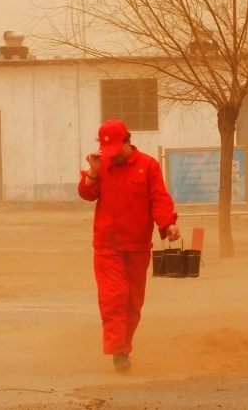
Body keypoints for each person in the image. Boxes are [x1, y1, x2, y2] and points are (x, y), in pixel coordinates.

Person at [78, 118, 180, 372]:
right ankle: (118, 351)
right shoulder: (101, 165)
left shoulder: (148, 166)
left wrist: (168, 224)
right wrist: (92, 171)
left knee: (133, 301)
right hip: (107, 245)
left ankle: (124, 345)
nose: (113, 156)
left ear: (127, 141)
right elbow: (86, 193)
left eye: (117, 150)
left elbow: (159, 198)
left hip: (137, 245)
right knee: (114, 297)